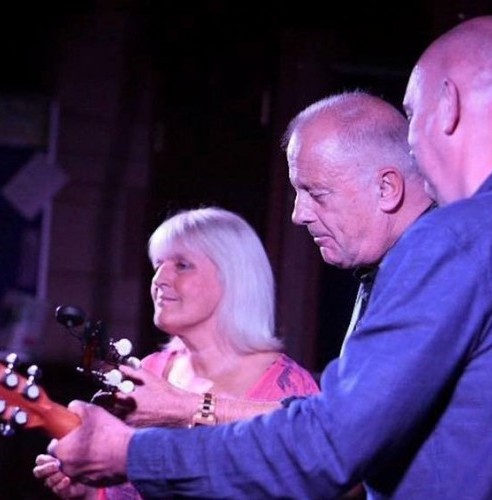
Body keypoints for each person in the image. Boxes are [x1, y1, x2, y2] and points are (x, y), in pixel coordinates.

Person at [37, 85, 439, 498]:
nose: (298, 215)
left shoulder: (430, 273)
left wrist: (182, 413)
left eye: (316, 193)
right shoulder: (383, 273)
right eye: (157, 264)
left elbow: (340, 447)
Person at [34, 206, 320, 499]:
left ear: (234, 278)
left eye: (182, 265)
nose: (159, 279)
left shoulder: (288, 387)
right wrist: (91, 493)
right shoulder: (150, 370)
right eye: (158, 264)